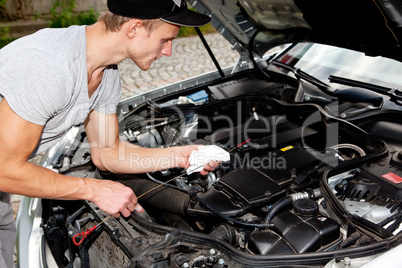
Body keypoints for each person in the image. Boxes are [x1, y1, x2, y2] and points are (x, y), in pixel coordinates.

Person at [0, 0, 215, 267]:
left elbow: (108, 154)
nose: (168, 51)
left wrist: (181, 156)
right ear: (135, 28)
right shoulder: (49, 67)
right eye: (164, 40)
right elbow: (4, 169)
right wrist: (92, 189)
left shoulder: (106, 75)